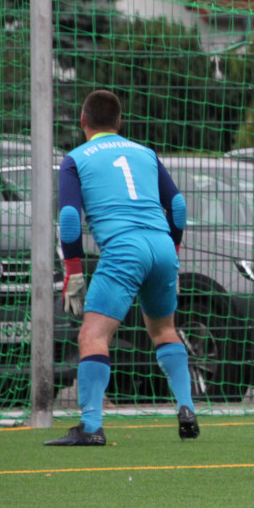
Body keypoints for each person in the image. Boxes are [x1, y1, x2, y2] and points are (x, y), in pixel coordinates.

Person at [45, 90, 197, 446]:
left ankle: (91, 427)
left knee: (92, 336)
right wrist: (173, 251)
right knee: (164, 330)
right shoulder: (145, 153)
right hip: (161, 247)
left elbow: (70, 219)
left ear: (83, 121)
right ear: (120, 122)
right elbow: (177, 206)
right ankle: (187, 409)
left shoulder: (75, 159)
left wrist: (73, 271)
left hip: (124, 250)